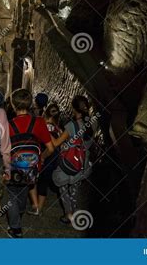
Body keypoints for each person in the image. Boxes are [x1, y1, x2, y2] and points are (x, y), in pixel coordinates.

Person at [6, 89, 54, 238]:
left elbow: (5, 152)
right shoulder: (39, 122)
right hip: (32, 168)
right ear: (30, 104)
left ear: (13, 105)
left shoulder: (8, 126)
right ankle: (19, 215)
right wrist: (41, 158)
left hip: (14, 168)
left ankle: (16, 228)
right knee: (23, 192)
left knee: (11, 195)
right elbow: (51, 148)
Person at [52, 96, 95, 225]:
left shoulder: (71, 125)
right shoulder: (93, 123)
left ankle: (68, 215)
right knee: (75, 189)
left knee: (64, 188)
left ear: (74, 108)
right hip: (83, 162)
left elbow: (56, 143)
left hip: (69, 162)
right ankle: (75, 212)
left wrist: (47, 130)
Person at [35, 104, 61, 214]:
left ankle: (39, 208)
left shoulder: (45, 127)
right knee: (47, 180)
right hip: (55, 158)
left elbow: (48, 146)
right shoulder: (58, 128)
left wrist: (41, 157)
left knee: (42, 182)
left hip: (46, 157)